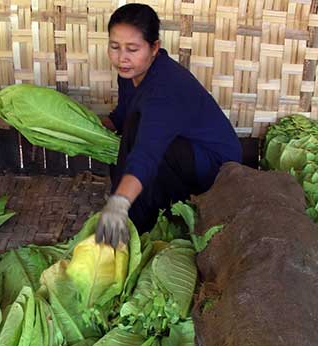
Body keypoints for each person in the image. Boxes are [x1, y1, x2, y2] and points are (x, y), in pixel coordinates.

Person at [95, 3, 242, 247]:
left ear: (154, 48)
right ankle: (135, 211)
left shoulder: (165, 87)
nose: (122, 58)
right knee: (133, 128)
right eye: (115, 47)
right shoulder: (131, 73)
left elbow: (146, 153)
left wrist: (119, 202)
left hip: (216, 167)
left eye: (132, 49)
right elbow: (121, 116)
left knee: (138, 137)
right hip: (182, 151)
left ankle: (135, 225)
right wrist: (76, 124)